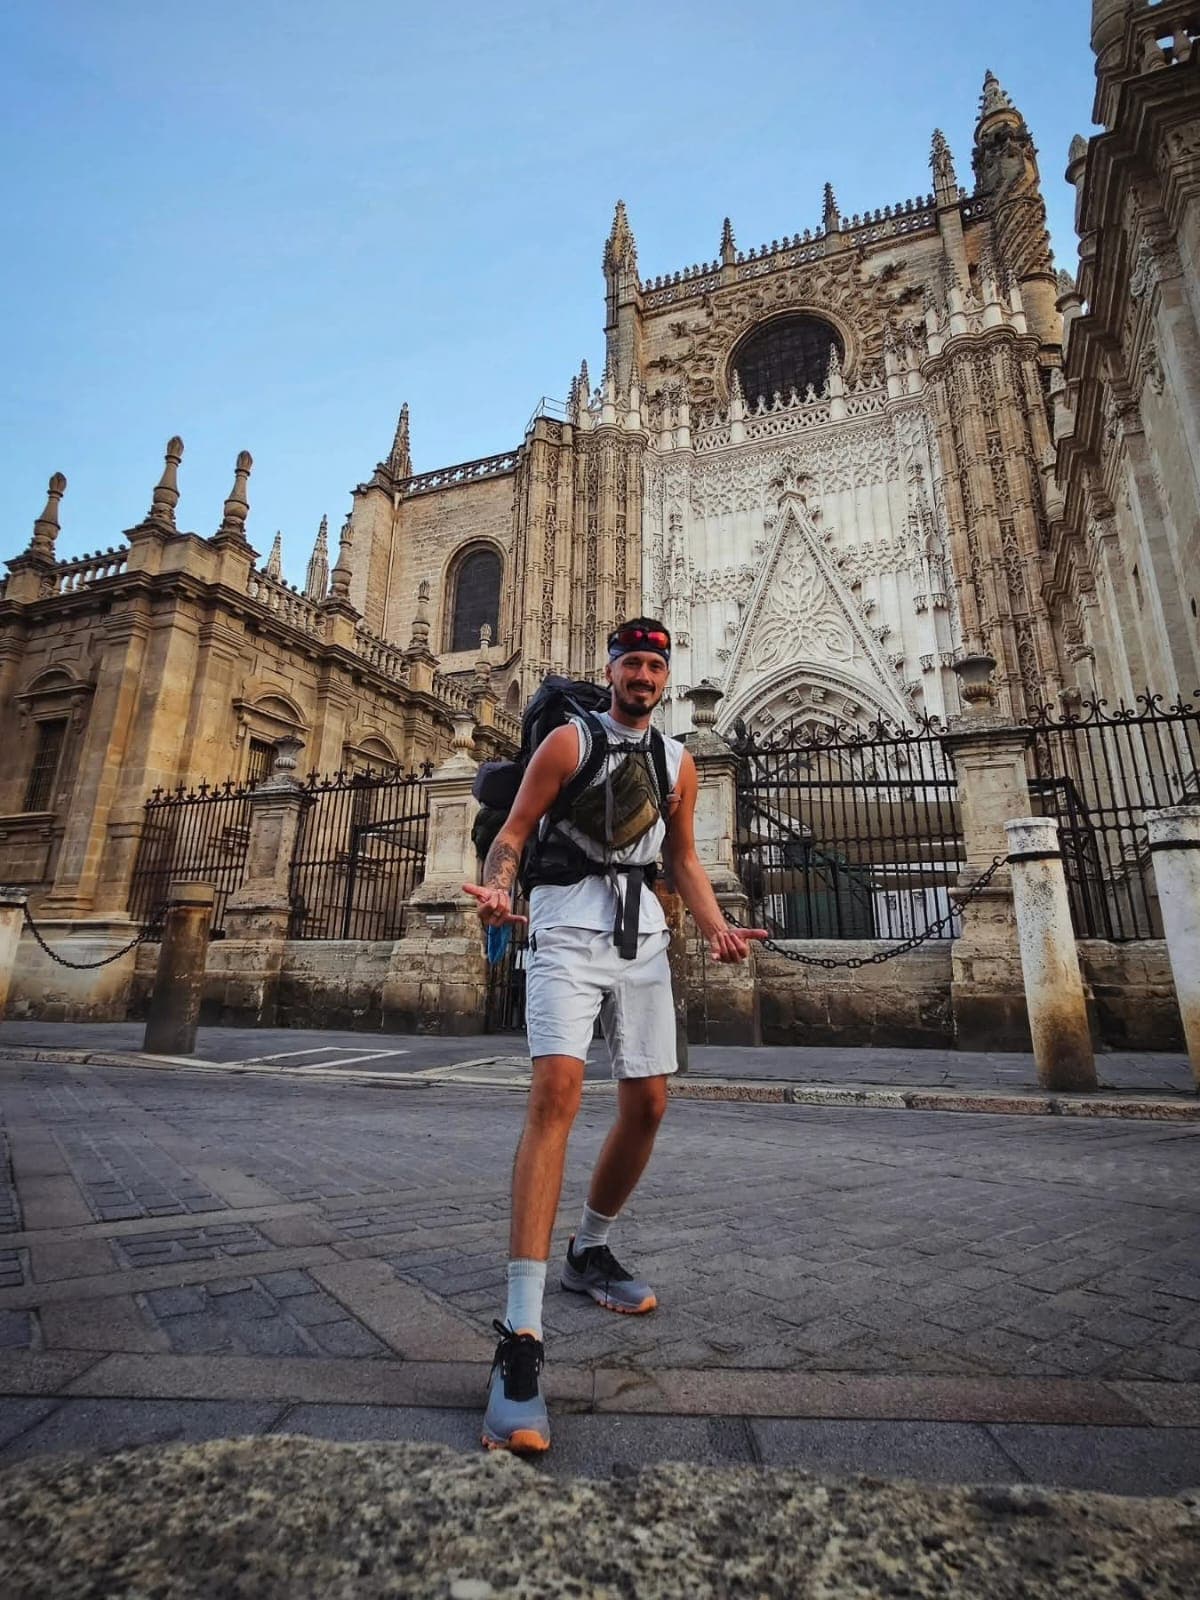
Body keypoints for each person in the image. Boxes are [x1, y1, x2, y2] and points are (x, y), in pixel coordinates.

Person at [463, 618, 766, 1453]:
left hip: (643, 937)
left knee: (650, 1104)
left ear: (666, 676)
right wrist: (499, 888)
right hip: (564, 928)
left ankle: (588, 1251)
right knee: (555, 1097)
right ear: (612, 671)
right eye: (631, 663)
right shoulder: (567, 742)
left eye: (654, 666)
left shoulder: (678, 762)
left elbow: (684, 859)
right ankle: (520, 1335)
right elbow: (513, 834)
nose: (643, 676)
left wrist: (717, 926)